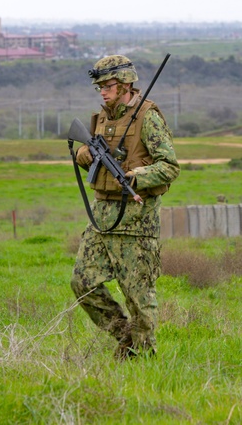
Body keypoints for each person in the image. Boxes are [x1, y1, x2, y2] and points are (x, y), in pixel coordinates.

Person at [70, 55, 179, 360]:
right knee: (83, 282)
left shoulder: (148, 116)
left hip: (136, 223)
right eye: (100, 87)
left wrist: (136, 175)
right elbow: (86, 150)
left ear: (126, 84)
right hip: (102, 219)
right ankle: (125, 335)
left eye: (109, 86)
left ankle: (143, 359)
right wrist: (83, 154)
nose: (103, 92)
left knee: (138, 298)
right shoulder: (103, 117)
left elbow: (170, 167)